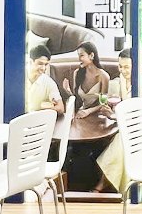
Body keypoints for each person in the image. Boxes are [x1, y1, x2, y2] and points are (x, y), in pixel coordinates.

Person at [65, 41, 115, 193]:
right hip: (81, 115)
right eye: (78, 56)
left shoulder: (103, 76)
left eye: (82, 55)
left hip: (97, 117)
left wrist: (88, 111)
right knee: (74, 144)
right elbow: (77, 99)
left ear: (91, 56)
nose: (79, 59)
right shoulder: (77, 73)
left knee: (93, 145)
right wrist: (68, 92)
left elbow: (103, 103)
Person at [25, 47, 63, 116]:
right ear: (30, 62)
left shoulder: (49, 82)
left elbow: (60, 108)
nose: (43, 68)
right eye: (40, 64)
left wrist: (43, 110)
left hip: (36, 118)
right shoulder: (17, 77)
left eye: (46, 64)